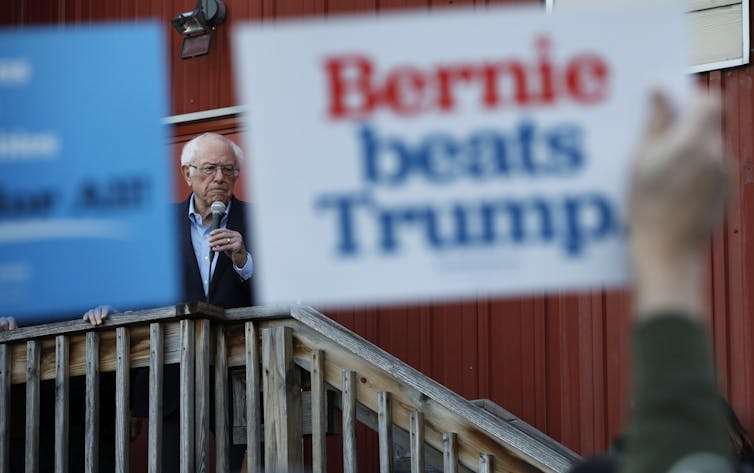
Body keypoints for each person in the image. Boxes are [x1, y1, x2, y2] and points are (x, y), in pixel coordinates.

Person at [83, 132, 254, 473]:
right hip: (171, 377)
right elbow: (136, 284)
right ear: (187, 173)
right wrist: (111, 305)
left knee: (243, 463)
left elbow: (280, 293)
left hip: (239, 372)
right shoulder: (156, 226)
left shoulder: (257, 221)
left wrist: (242, 259)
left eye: (228, 169)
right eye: (209, 169)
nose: (219, 178)